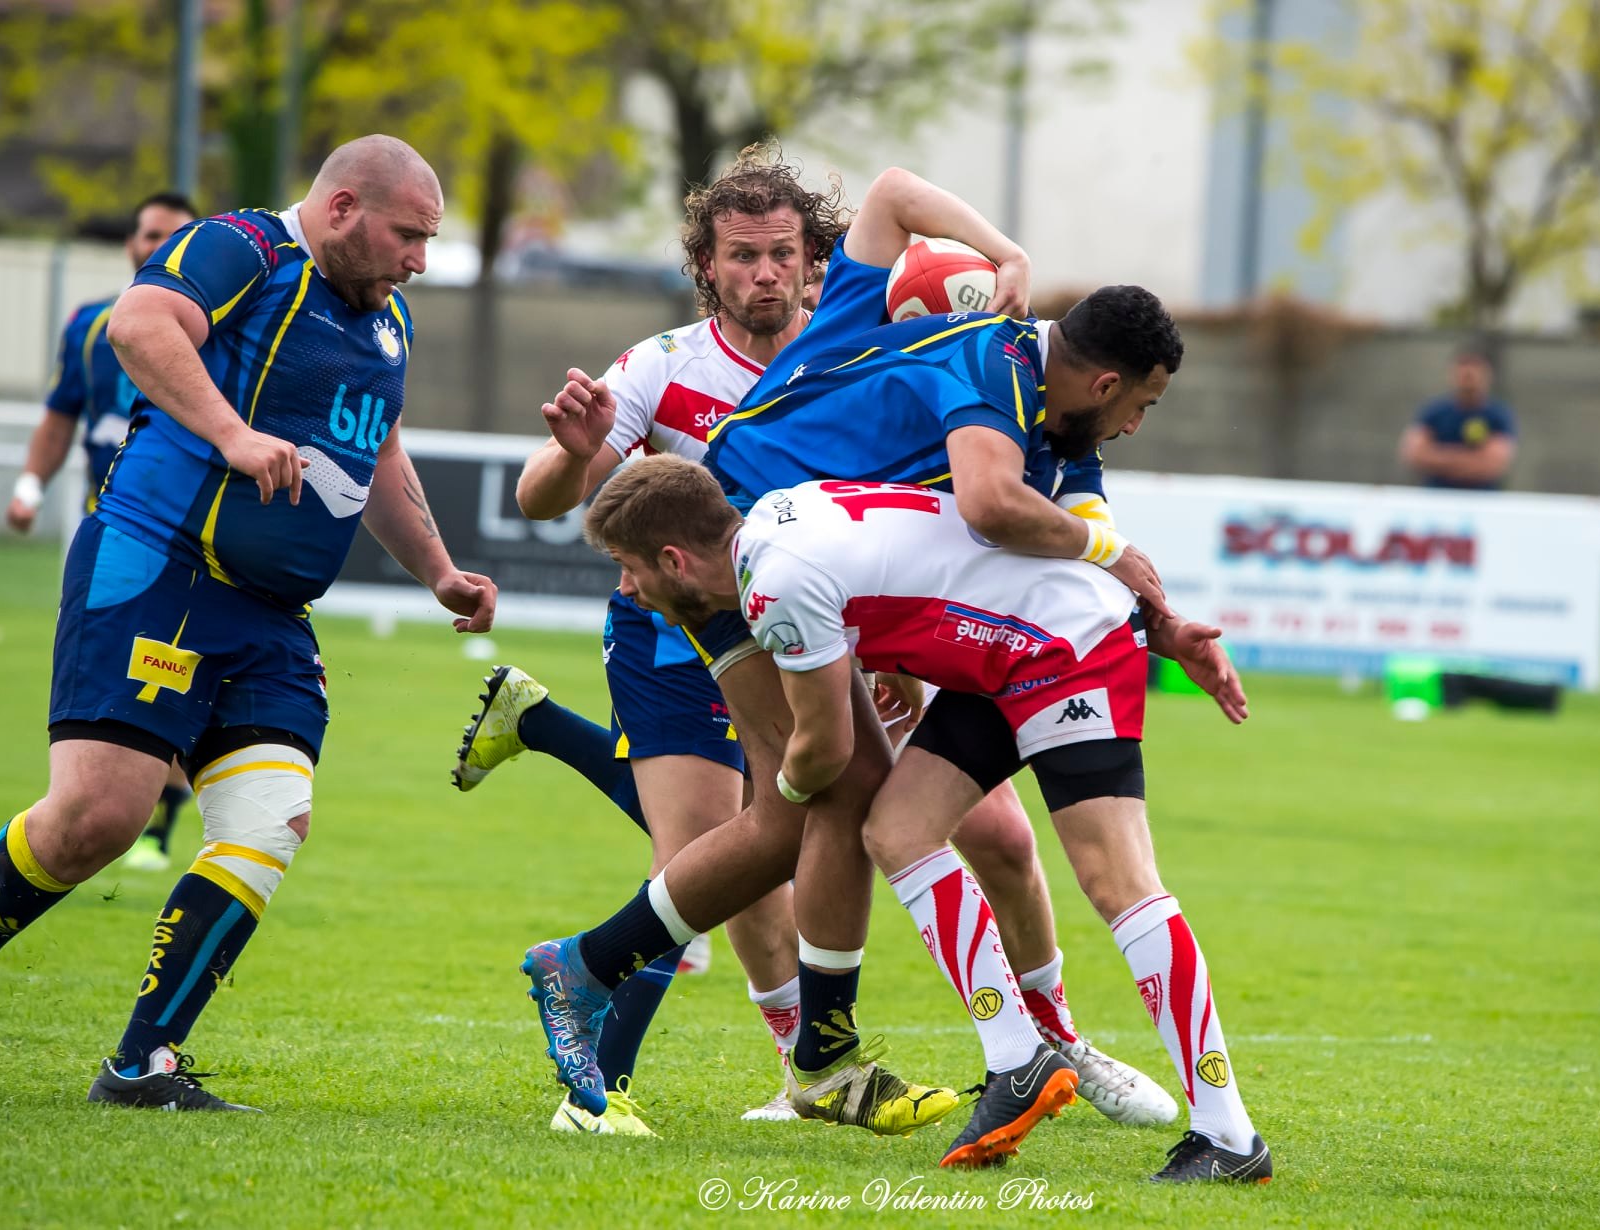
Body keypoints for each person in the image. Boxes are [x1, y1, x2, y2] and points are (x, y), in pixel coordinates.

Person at [462, 147, 1176, 1133]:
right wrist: (1005, 251)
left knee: (819, 810)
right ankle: (602, 974)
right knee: (814, 797)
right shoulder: (917, 347)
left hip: (778, 569)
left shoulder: (963, 382)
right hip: (743, 565)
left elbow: (932, 527)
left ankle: (807, 1049)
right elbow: (893, 193)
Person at [0, 135, 498, 1113]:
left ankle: (142, 1064)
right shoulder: (244, 247)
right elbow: (141, 323)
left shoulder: (389, 324)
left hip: (272, 619)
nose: (420, 258)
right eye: (409, 235)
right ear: (342, 210)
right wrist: (233, 433)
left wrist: (437, 570)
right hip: (161, 567)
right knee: (98, 820)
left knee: (268, 822)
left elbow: (375, 452)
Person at [580, 458, 1268, 1181]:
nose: (626, 589)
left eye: (627, 569)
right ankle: (1018, 1062)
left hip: (1070, 648)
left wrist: (777, 803)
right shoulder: (780, 520)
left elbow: (824, 751)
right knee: (895, 829)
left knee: (1118, 880)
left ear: (672, 559)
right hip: (1010, 653)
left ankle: (1228, 1136)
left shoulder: (771, 583)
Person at [8, 191, 201, 874]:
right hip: (107, 538)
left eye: (171, 236)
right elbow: (61, 416)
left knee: (170, 677)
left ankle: (154, 826)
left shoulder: (223, 331)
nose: (153, 245)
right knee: (115, 685)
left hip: (183, 547)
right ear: (130, 242)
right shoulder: (91, 326)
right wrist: (30, 487)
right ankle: (90, 813)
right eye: (146, 233)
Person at [1398, 344, 1518, 489]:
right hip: (1436, 498)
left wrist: (1437, 457)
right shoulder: (1433, 411)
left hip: (1483, 501)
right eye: (1462, 370)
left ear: (1488, 375)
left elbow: (1493, 465)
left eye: (1474, 370)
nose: (1468, 376)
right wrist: (1472, 460)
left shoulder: (1498, 415)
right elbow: (1413, 455)